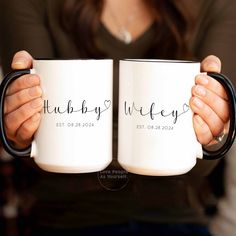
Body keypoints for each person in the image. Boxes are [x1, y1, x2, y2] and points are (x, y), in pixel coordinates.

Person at [0, 0, 235, 235]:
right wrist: (20, 129)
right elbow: (40, 146)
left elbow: (201, 164)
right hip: (66, 218)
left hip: (174, 218)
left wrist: (214, 132)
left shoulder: (218, 5)